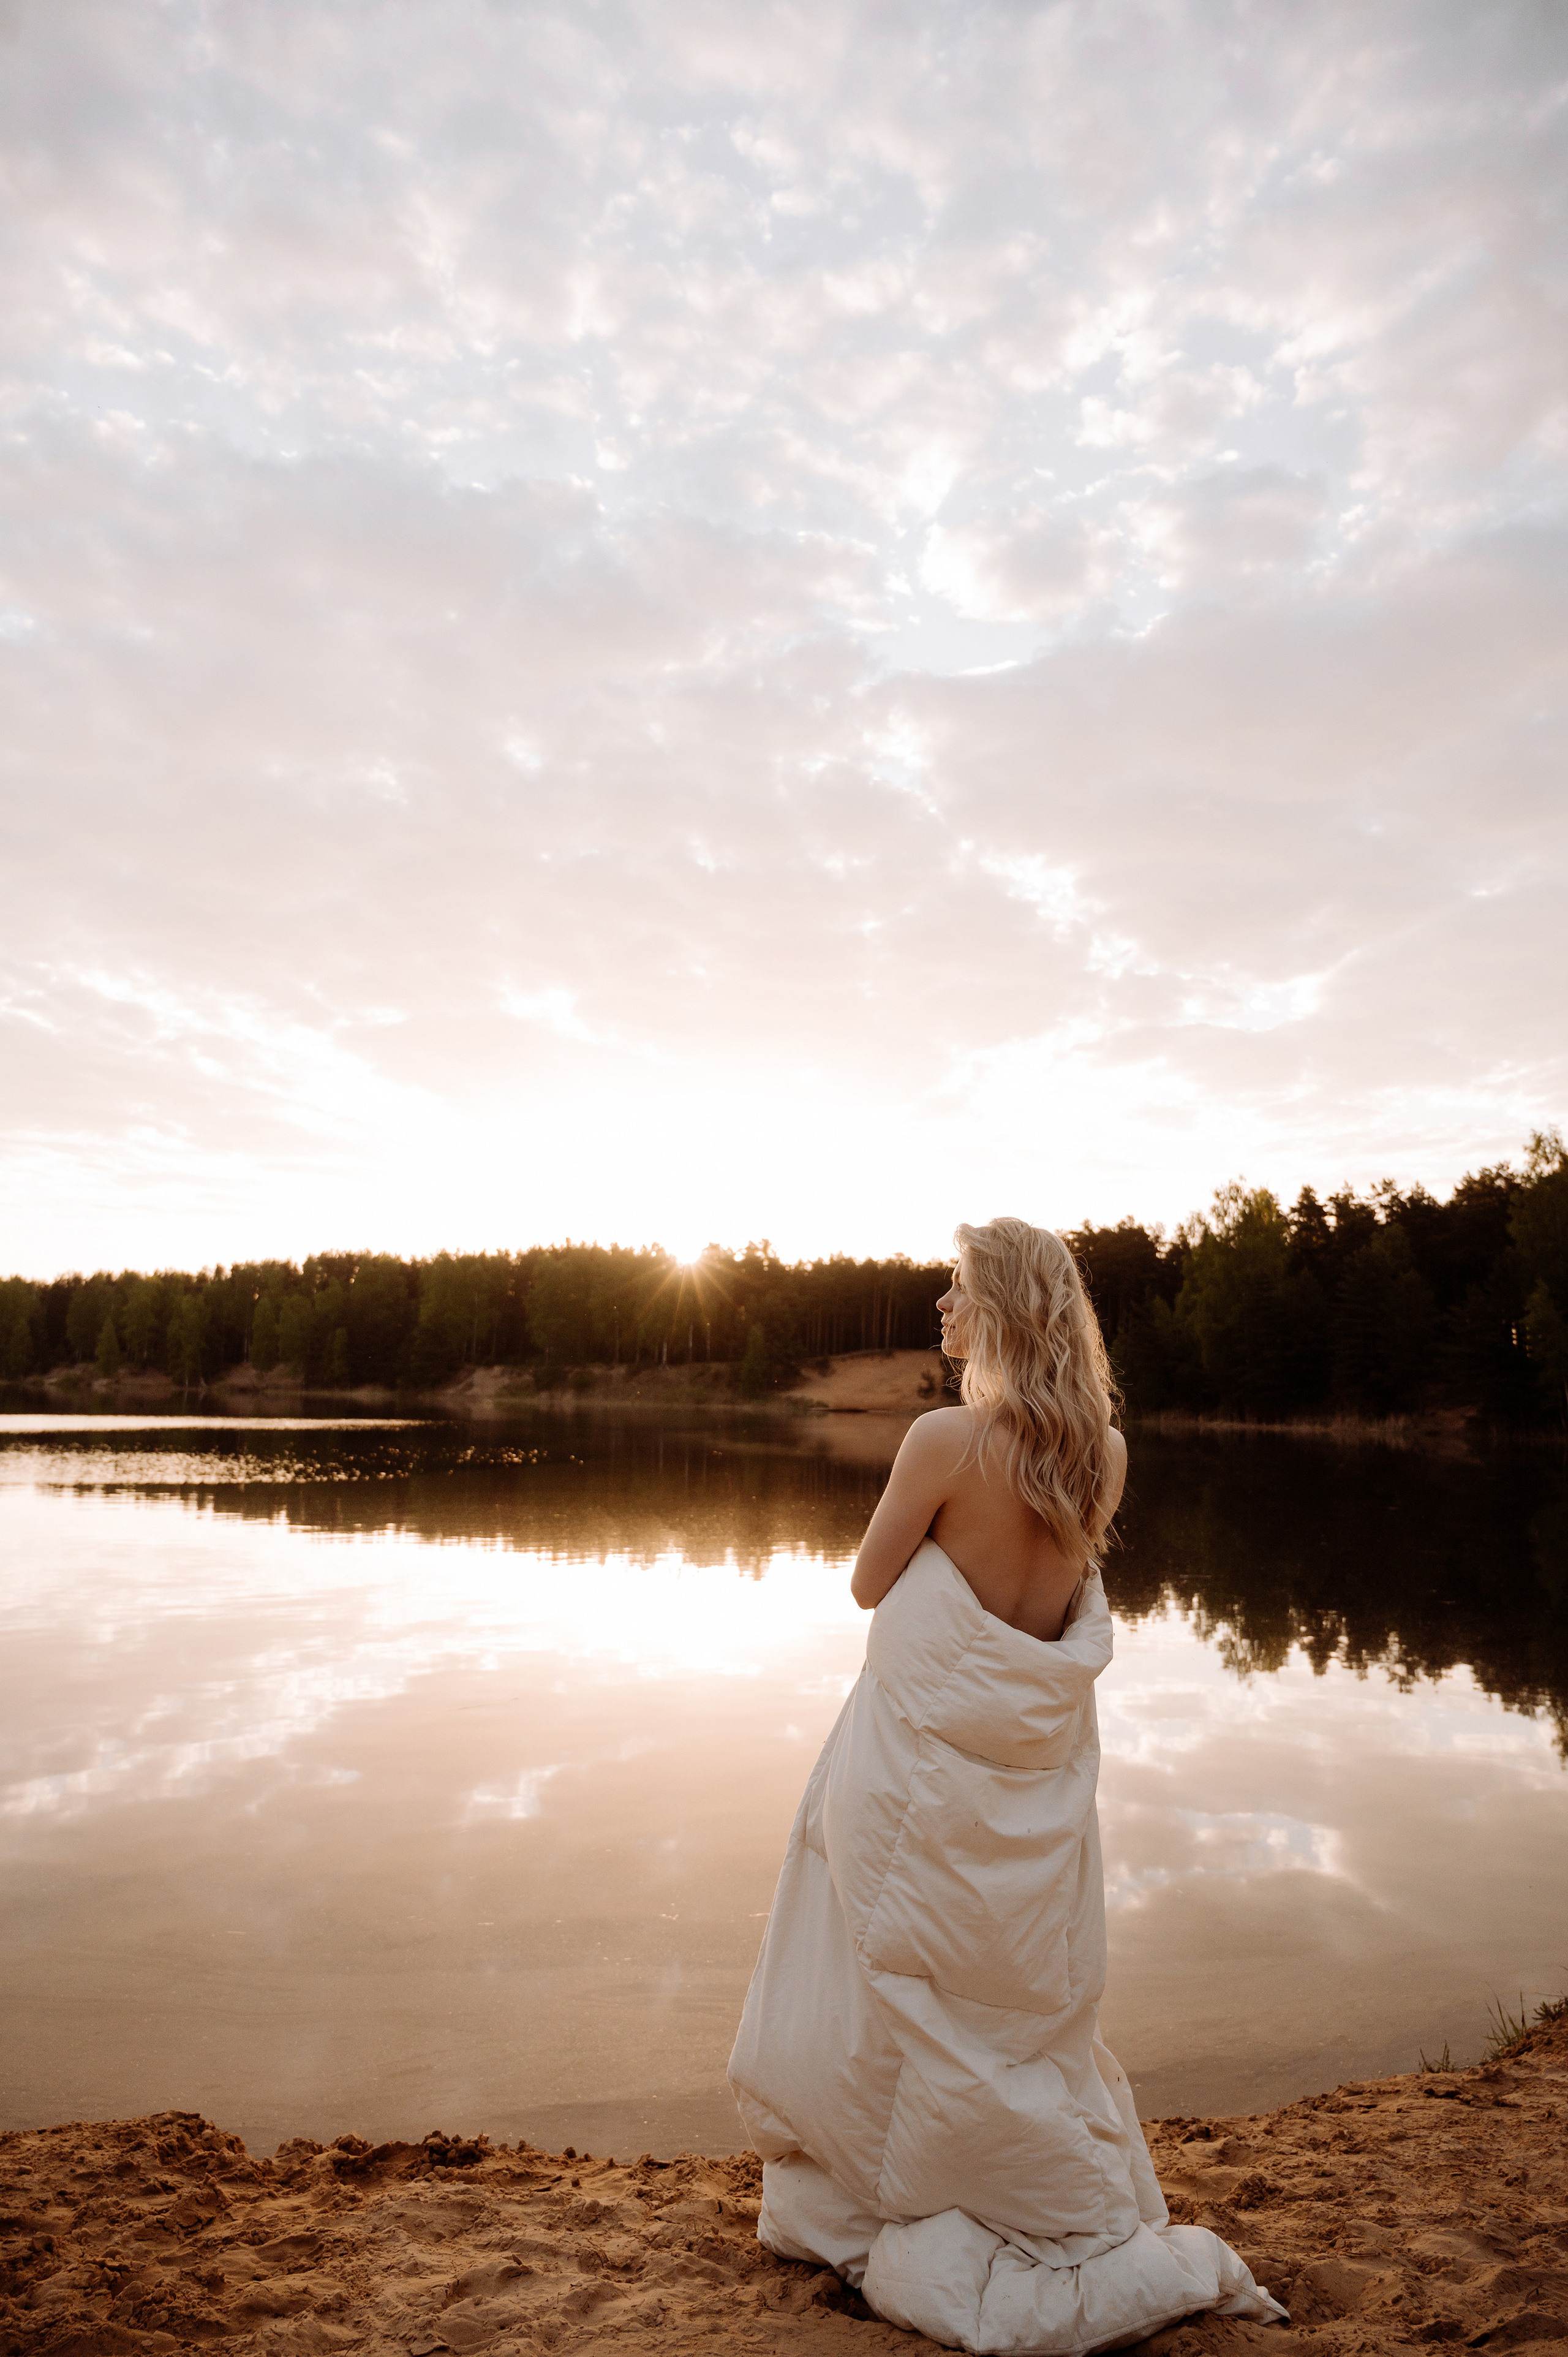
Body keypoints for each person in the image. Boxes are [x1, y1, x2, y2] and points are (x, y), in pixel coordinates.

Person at [728, 1218, 1287, 2355]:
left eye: (958, 1288)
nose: (940, 1305)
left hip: (915, 1779)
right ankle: (978, 2176)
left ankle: (901, 2193)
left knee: (890, 1990)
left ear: (1005, 1310)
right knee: (992, 2005)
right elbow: (1035, 1612)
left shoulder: (943, 1439)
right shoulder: (1105, 1457)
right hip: (1025, 1784)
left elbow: (868, 1584)